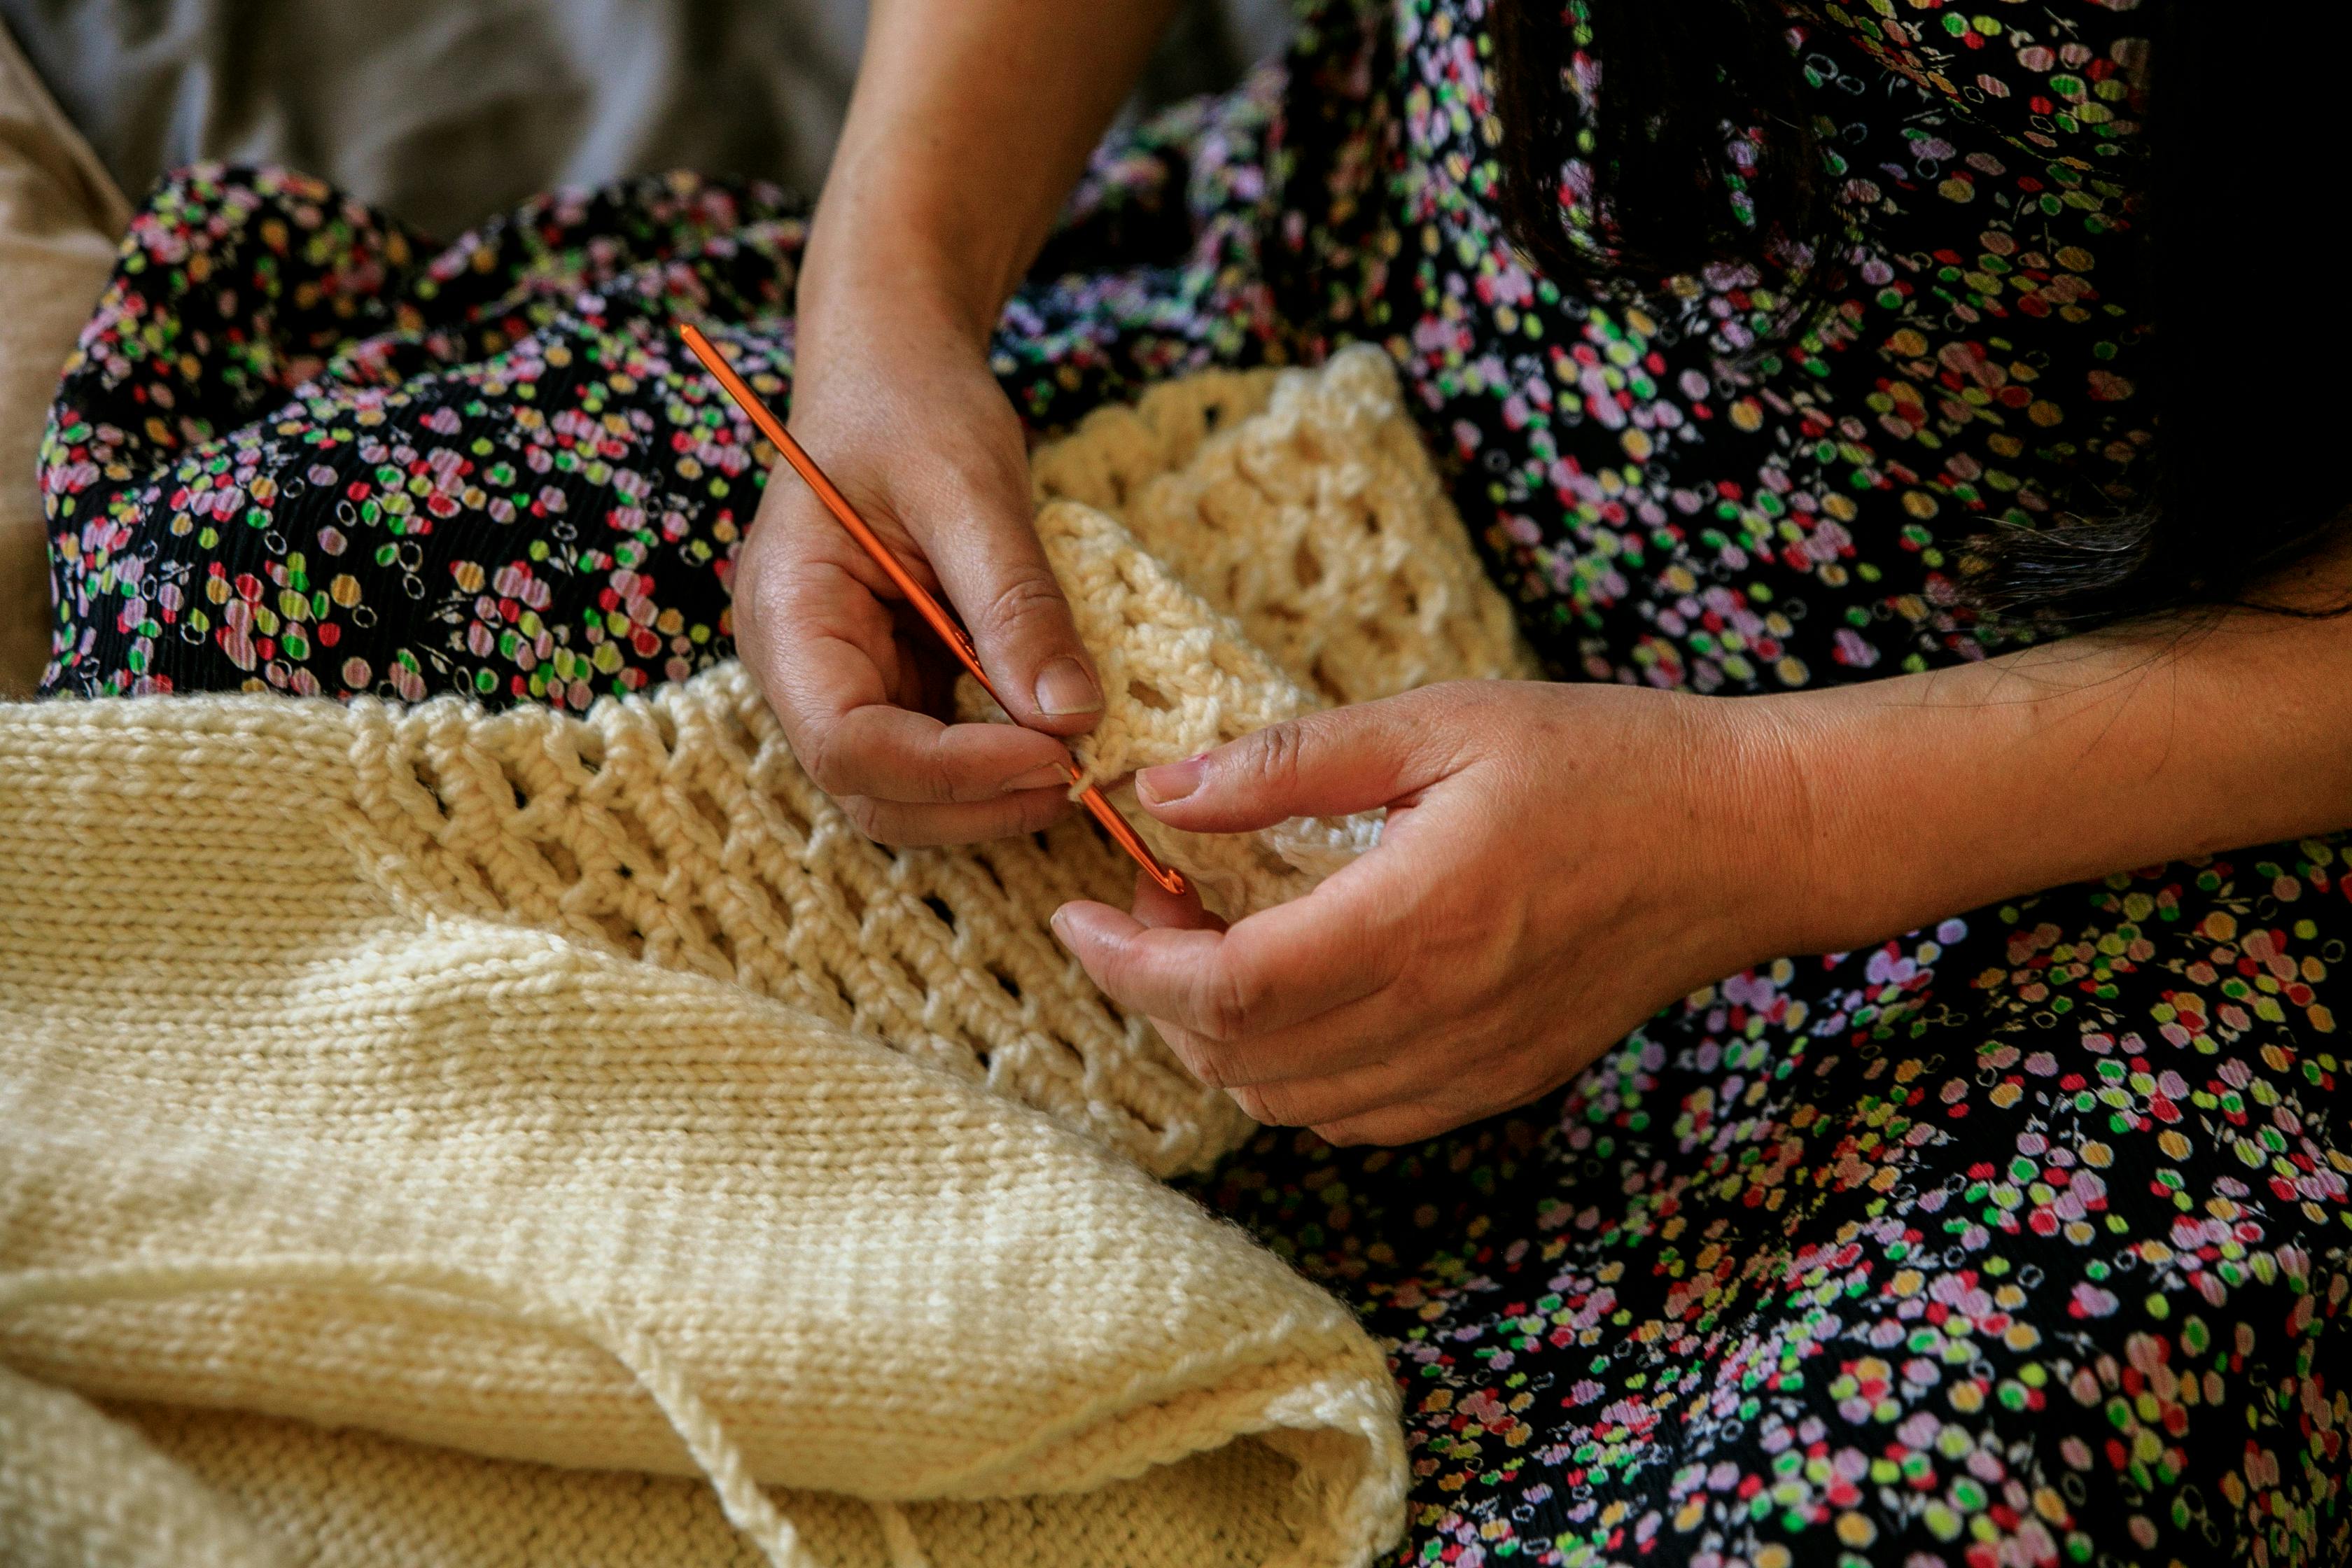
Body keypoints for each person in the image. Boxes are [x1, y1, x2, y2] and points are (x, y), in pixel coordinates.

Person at [36, 0, 2352, 1561]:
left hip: (2117, 798)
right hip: (1373, 345)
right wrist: (885, 324)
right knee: (269, 621)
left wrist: (1780, 829)